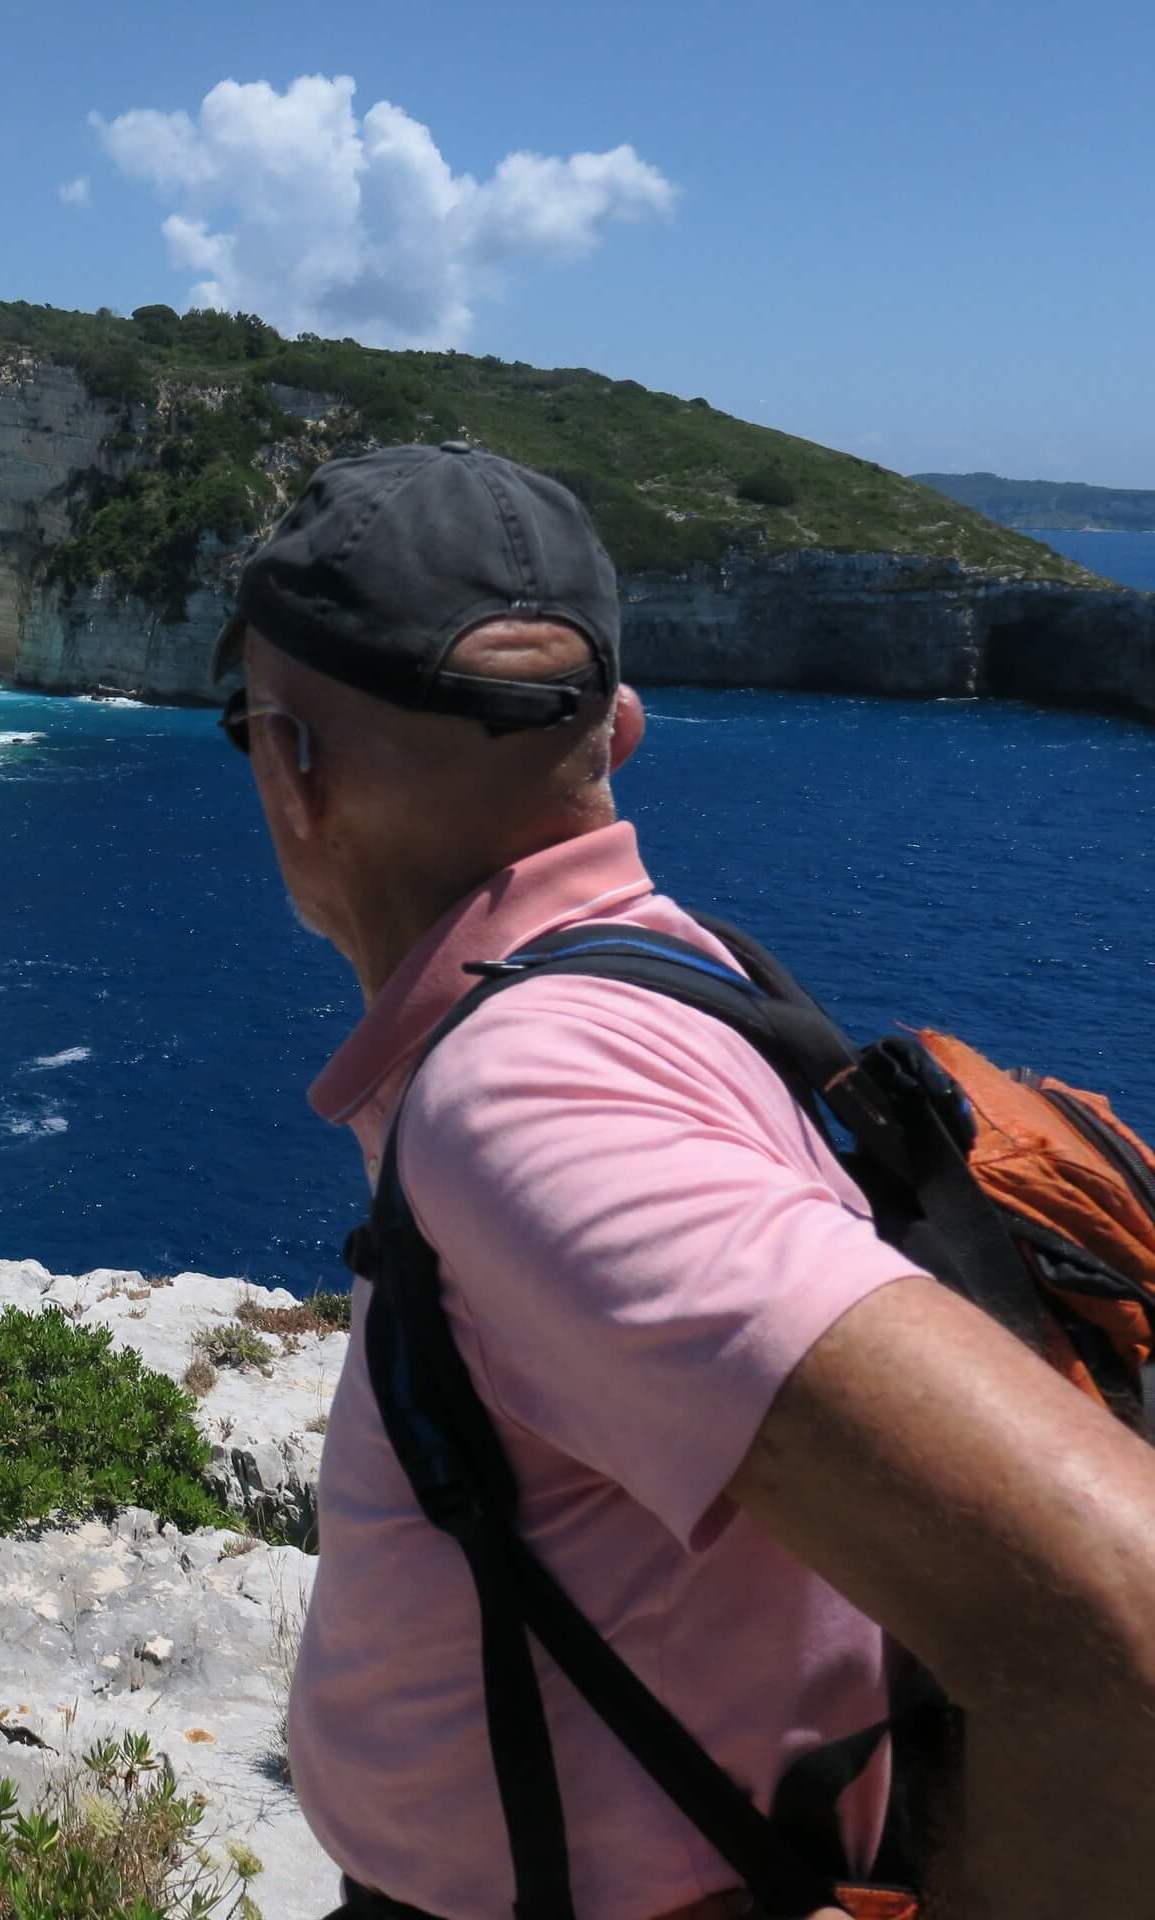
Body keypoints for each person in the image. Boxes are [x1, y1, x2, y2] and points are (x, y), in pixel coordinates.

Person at [214, 443, 1155, 1917]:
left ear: (293, 766)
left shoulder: (533, 1099)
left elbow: (1125, 1617)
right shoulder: (681, 977)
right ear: (624, 733)